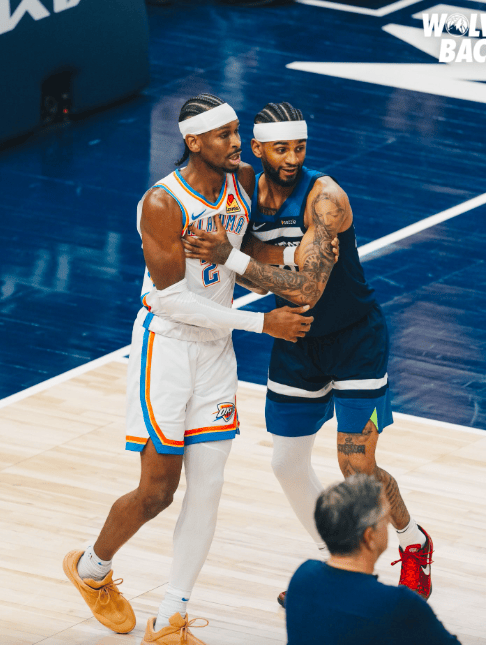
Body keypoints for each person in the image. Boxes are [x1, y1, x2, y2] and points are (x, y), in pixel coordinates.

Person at [62, 93, 313, 645]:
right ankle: (91, 568)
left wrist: (292, 259)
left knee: (209, 487)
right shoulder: (162, 203)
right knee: (158, 491)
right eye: (224, 135)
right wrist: (261, 324)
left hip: (216, 353)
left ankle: (170, 618)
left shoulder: (241, 180)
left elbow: (247, 254)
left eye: (236, 132)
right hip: (167, 349)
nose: (236, 143)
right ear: (194, 141)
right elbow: (172, 300)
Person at [182, 102, 434, 606]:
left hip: (354, 338)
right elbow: (253, 272)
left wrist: (233, 255)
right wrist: (269, 256)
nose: (293, 158)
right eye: (281, 149)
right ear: (257, 149)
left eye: (300, 147)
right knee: (286, 463)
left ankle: (414, 542)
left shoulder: (326, 198)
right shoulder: (244, 193)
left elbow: (307, 289)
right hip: (296, 339)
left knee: (356, 465)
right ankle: (335, 562)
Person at [285, 475, 460, 645]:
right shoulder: (399, 605)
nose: (388, 523)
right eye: (385, 518)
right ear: (369, 537)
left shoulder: (302, 577)